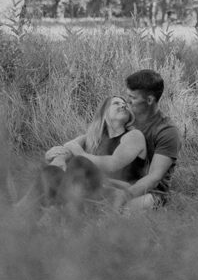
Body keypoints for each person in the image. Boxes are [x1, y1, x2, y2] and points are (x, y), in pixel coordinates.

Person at [66, 70, 180, 212]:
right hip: (122, 182)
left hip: (150, 192)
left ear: (149, 100)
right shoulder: (128, 117)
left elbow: (154, 177)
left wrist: (126, 195)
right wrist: (70, 146)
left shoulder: (167, 131)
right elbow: (97, 134)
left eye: (132, 97)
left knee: (118, 211)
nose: (127, 102)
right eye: (127, 96)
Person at [44, 95, 147, 185]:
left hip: (121, 191)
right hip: (95, 188)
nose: (123, 106)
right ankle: (36, 205)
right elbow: (68, 146)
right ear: (104, 113)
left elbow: (112, 165)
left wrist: (80, 153)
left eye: (125, 104)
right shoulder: (94, 137)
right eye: (116, 103)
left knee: (78, 162)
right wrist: (60, 159)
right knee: (51, 171)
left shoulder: (134, 136)